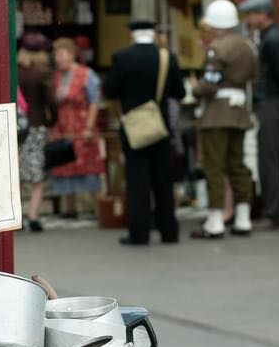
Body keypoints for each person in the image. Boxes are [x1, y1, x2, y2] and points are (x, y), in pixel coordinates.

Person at [104, 20, 186, 246]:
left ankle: (139, 233)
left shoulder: (121, 57)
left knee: (137, 180)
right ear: (153, 34)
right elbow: (179, 92)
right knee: (163, 179)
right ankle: (169, 231)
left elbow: (110, 90)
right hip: (159, 126)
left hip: (134, 127)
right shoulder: (167, 57)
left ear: (132, 35)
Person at [190, 0, 257, 239]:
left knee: (215, 166)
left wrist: (195, 89)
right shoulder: (248, 46)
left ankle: (215, 221)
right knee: (237, 165)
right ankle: (243, 217)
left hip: (217, 114)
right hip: (239, 111)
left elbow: (210, 83)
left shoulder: (217, 47)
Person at [239, 0, 279, 230]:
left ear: (264, 14)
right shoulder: (268, 36)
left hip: (273, 103)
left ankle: (274, 212)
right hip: (273, 102)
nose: (249, 19)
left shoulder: (272, 40)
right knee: (267, 158)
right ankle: (272, 209)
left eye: (252, 14)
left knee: (268, 159)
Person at [48, 37, 104, 217]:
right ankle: (70, 207)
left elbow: (95, 102)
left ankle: (100, 207)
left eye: (61, 54)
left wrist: (89, 127)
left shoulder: (86, 74)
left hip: (82, 125)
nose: (57, 58)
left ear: (71, 55)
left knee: (87, 166)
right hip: (64, 126)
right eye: (55, 55)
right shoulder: (56, 76)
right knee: (66, 164)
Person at [17, 33, 57, 232]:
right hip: (36, 125)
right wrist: (52, 120)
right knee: (36, 176)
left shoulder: (14, 70)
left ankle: (17, 217)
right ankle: (33, 215)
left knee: (16, 174)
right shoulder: (42, 72)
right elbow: (51, 101)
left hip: (16, 126)